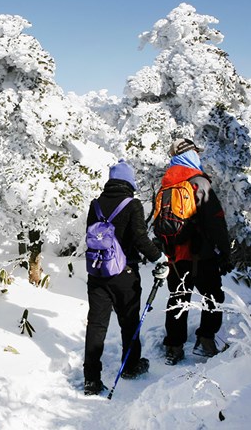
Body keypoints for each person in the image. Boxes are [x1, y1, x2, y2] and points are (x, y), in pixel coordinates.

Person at [82, 160, 168, 396]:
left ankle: (91, 378)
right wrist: (159, 258)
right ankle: (130, 366)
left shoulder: (96, 204)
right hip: (124, 273)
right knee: (128, 322)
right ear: (129, 181)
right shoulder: (132, 205)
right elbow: (140, 239)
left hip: (97, 272)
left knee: (96, 325)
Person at [158, 138, 232, 363]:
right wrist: (225, 252)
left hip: (175, 256)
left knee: (178, 299)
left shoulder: (166, 184)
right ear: (191, 155)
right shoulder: (199, 182)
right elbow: (216, 221)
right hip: (202, 255)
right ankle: (206, 341)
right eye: (196, 153)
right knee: (213, 297)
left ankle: (174, 346)